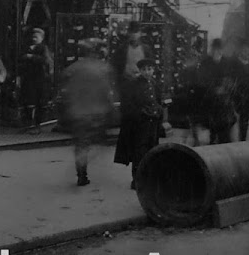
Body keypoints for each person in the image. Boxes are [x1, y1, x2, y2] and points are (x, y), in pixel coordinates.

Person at [58, 39, 116, 186]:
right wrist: (111, 108)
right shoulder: (103, 69)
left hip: (78, 112)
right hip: (97, 112)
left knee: (81, 143)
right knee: (97, 140)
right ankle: (87, 163)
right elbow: (107, 92)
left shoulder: (72, 69)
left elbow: (65, 91)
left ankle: (81, 173)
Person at [113, 59, 170, 189]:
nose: (147, 72)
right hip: (140, 124)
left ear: (153, 70)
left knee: (152, 149)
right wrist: (140, 113)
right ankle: (137, 179)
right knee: (139, 151)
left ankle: (149, 177)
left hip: (153, 123)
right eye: (144, 69)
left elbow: (158, 100)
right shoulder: (133, 85)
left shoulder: (155, 84)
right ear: (140, 70)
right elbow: (128, 104)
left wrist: (159, 110)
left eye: (149, 69)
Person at [198, 38, 237, 144]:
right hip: (211, 103)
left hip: (224, 104)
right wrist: (213, 89)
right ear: (212, 50)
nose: (217, 51)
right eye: (215, 49)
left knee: (225, 134)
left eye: (219, 49)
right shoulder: (205, 63)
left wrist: (225, 88)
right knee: (212, 132)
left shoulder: (227, 63)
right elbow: (202, 82)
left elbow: (232, 81)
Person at [18, 27, 54, 134]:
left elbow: (46, 60)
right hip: (28, 78)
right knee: (28, 101)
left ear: (41, 38)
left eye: (36, 37)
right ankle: (28, 123)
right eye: (33, 37)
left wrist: (32, 57)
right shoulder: (26, 48)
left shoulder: (43, 48)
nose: (34, 39)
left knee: (39, 102)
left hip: (40, 78)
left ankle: (37, 125)